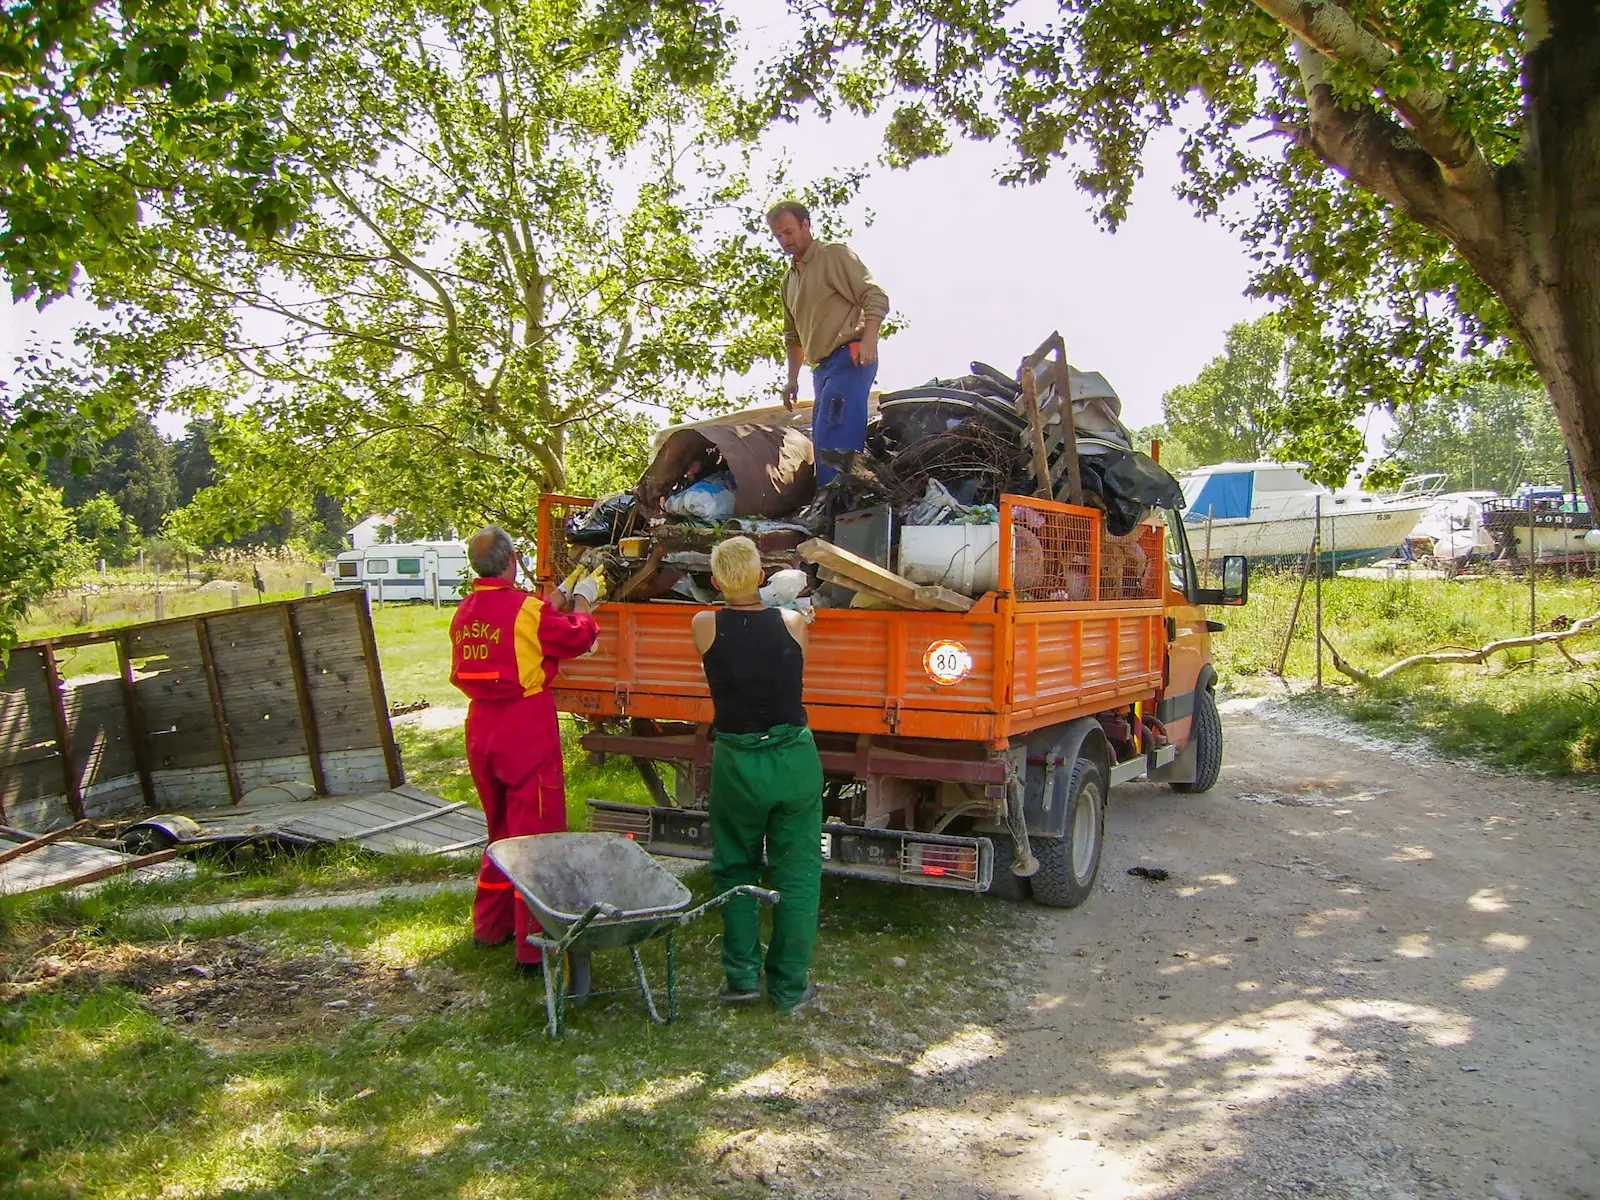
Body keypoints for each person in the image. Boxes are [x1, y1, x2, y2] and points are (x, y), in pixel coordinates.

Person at [450, 527, 603, 970]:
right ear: (513, 560)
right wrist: (583, 601)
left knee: (500, 830)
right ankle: (533, 948)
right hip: (524, 727)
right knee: (536, 838)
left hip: (481, 728)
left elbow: (518, 629)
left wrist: (553, 600)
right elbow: (575, 637)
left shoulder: (464, 611)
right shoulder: (528, 611)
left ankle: (491, 927)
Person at [692, 536, 825, 1013]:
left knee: (735, 869)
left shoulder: (703, 624)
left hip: (737, 762)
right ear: (762, 577)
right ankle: (791, 989)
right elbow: (789, 640)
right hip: (793, 758)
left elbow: (731, 623)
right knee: (798, 873)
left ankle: (741, 978)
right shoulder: (792, 622)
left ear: (714, 581)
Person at [768, 200, 890, 485]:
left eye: (789, 232)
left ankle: (840, 508)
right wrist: (792, 379)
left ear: (806, 225)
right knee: (822, 438)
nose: (785, 240)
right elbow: (793, 336)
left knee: (838, 434)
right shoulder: (789, 281)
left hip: (850, 356)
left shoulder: (832, 256)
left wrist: (870, 338)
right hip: (821, 369)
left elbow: (874, 296)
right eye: (778, 236)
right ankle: (832, 505)